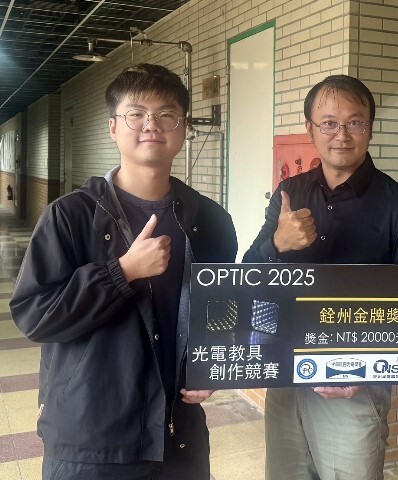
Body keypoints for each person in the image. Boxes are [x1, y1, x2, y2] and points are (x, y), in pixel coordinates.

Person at [10, 64, 237, 480]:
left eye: (166, 114)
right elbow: (36, 315)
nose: (151, 125)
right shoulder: (70, 216)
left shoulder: (211, 221)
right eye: (136, 114)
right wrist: (121, 273)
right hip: (91, 440)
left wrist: (212, 368)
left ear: (183, 127)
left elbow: (221, 312)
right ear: (113, 127)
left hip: (177, 438)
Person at [243, 74, 398, 480]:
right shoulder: (289, 194)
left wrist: (363, 370)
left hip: (353, 388)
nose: (341, 135)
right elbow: (249, 274)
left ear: (370, 128)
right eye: (329, 123)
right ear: (310, 129)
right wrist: (278, 245)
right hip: (286, 375)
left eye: (355, 122)